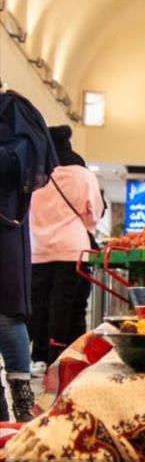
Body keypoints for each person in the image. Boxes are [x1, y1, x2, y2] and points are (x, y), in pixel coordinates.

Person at [0, 81, 57, 421]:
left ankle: (22, 407)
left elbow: (25, 158)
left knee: (6, 315)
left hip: (3, 229)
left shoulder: (11, 108)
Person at [29, 125, 104, 368]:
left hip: (38, 249)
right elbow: (95, 212)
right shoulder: (82, 175)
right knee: (69, 304)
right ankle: (64, 357)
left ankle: (39, 356)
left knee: (39, 304)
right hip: (72, 249)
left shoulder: (35, 174)